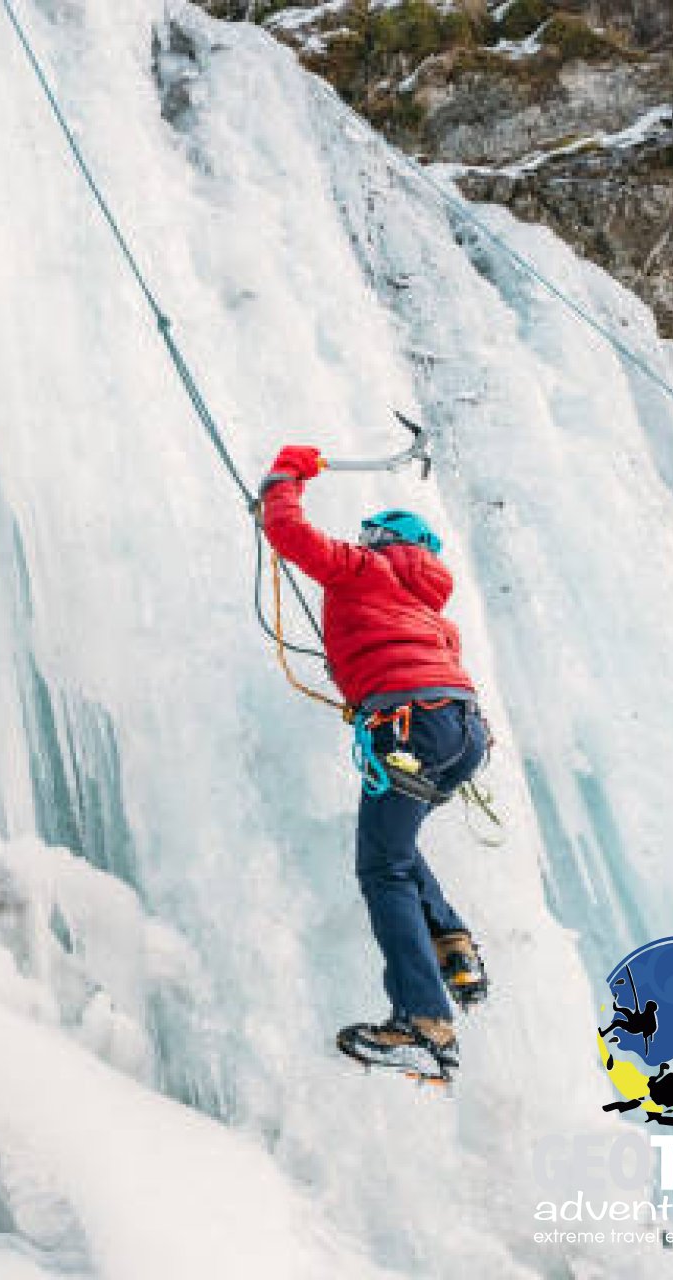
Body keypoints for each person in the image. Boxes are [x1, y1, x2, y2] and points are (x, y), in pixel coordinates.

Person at [258, 444, 489, 1083]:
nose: (362, 540)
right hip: (462, 731)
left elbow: (286, 531)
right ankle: (451, 941)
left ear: (385, 541)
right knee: (397, 842)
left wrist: (286, 474)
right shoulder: (431, 612)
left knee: (381, 865)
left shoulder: (365, 569)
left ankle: (423, 1022)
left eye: (370, 535)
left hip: (409, 721)